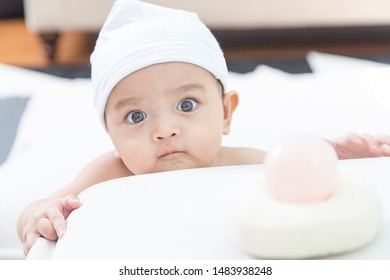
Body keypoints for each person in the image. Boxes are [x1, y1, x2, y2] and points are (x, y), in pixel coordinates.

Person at [17, 0, 390, 256]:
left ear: (226, 114)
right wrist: (39, 213)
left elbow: (299, 180)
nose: (164, 130)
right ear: (110, 133)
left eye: (187, 105)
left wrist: (337, 159)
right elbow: (37, 211)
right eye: (135, 116)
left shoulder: (242, 163)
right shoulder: (107, 174)